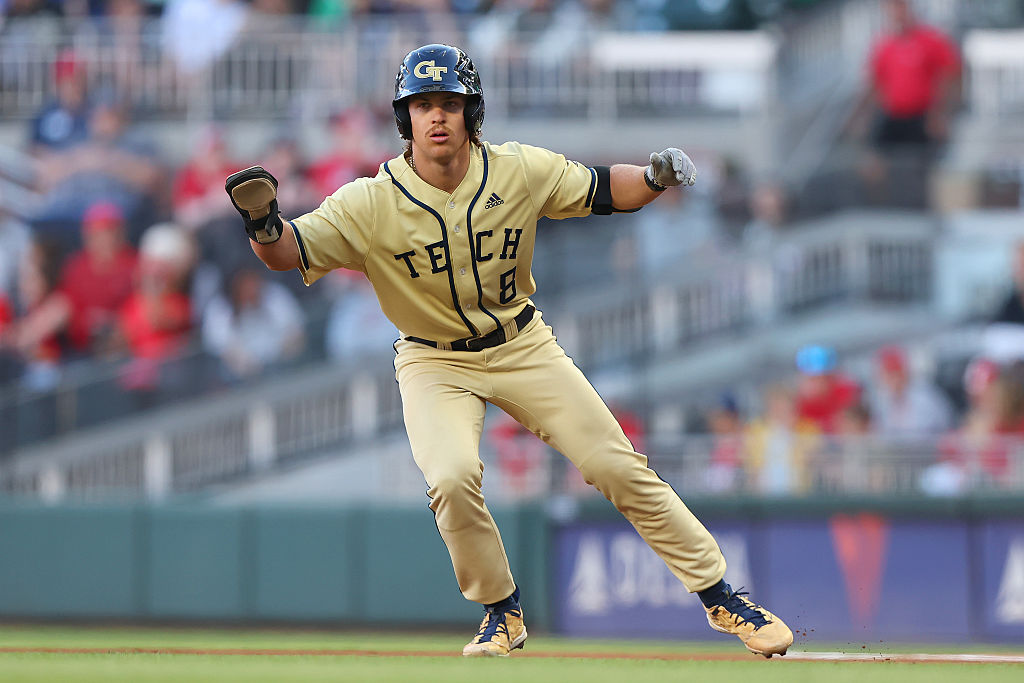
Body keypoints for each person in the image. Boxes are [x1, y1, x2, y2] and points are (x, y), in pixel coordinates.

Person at [224, 44, 792, 659]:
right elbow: (290, 252)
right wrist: (262, 223)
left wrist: (653, 180)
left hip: (522, 343)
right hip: (432, 358)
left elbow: (605, 190)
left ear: (473, 113)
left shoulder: (517, 170)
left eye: (449, 103)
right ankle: (502, 612)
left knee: (614, 463)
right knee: (450, 476)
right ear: (403, 118)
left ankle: (722, 597)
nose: (436, 116)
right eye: (421, 105)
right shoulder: (370, 201)